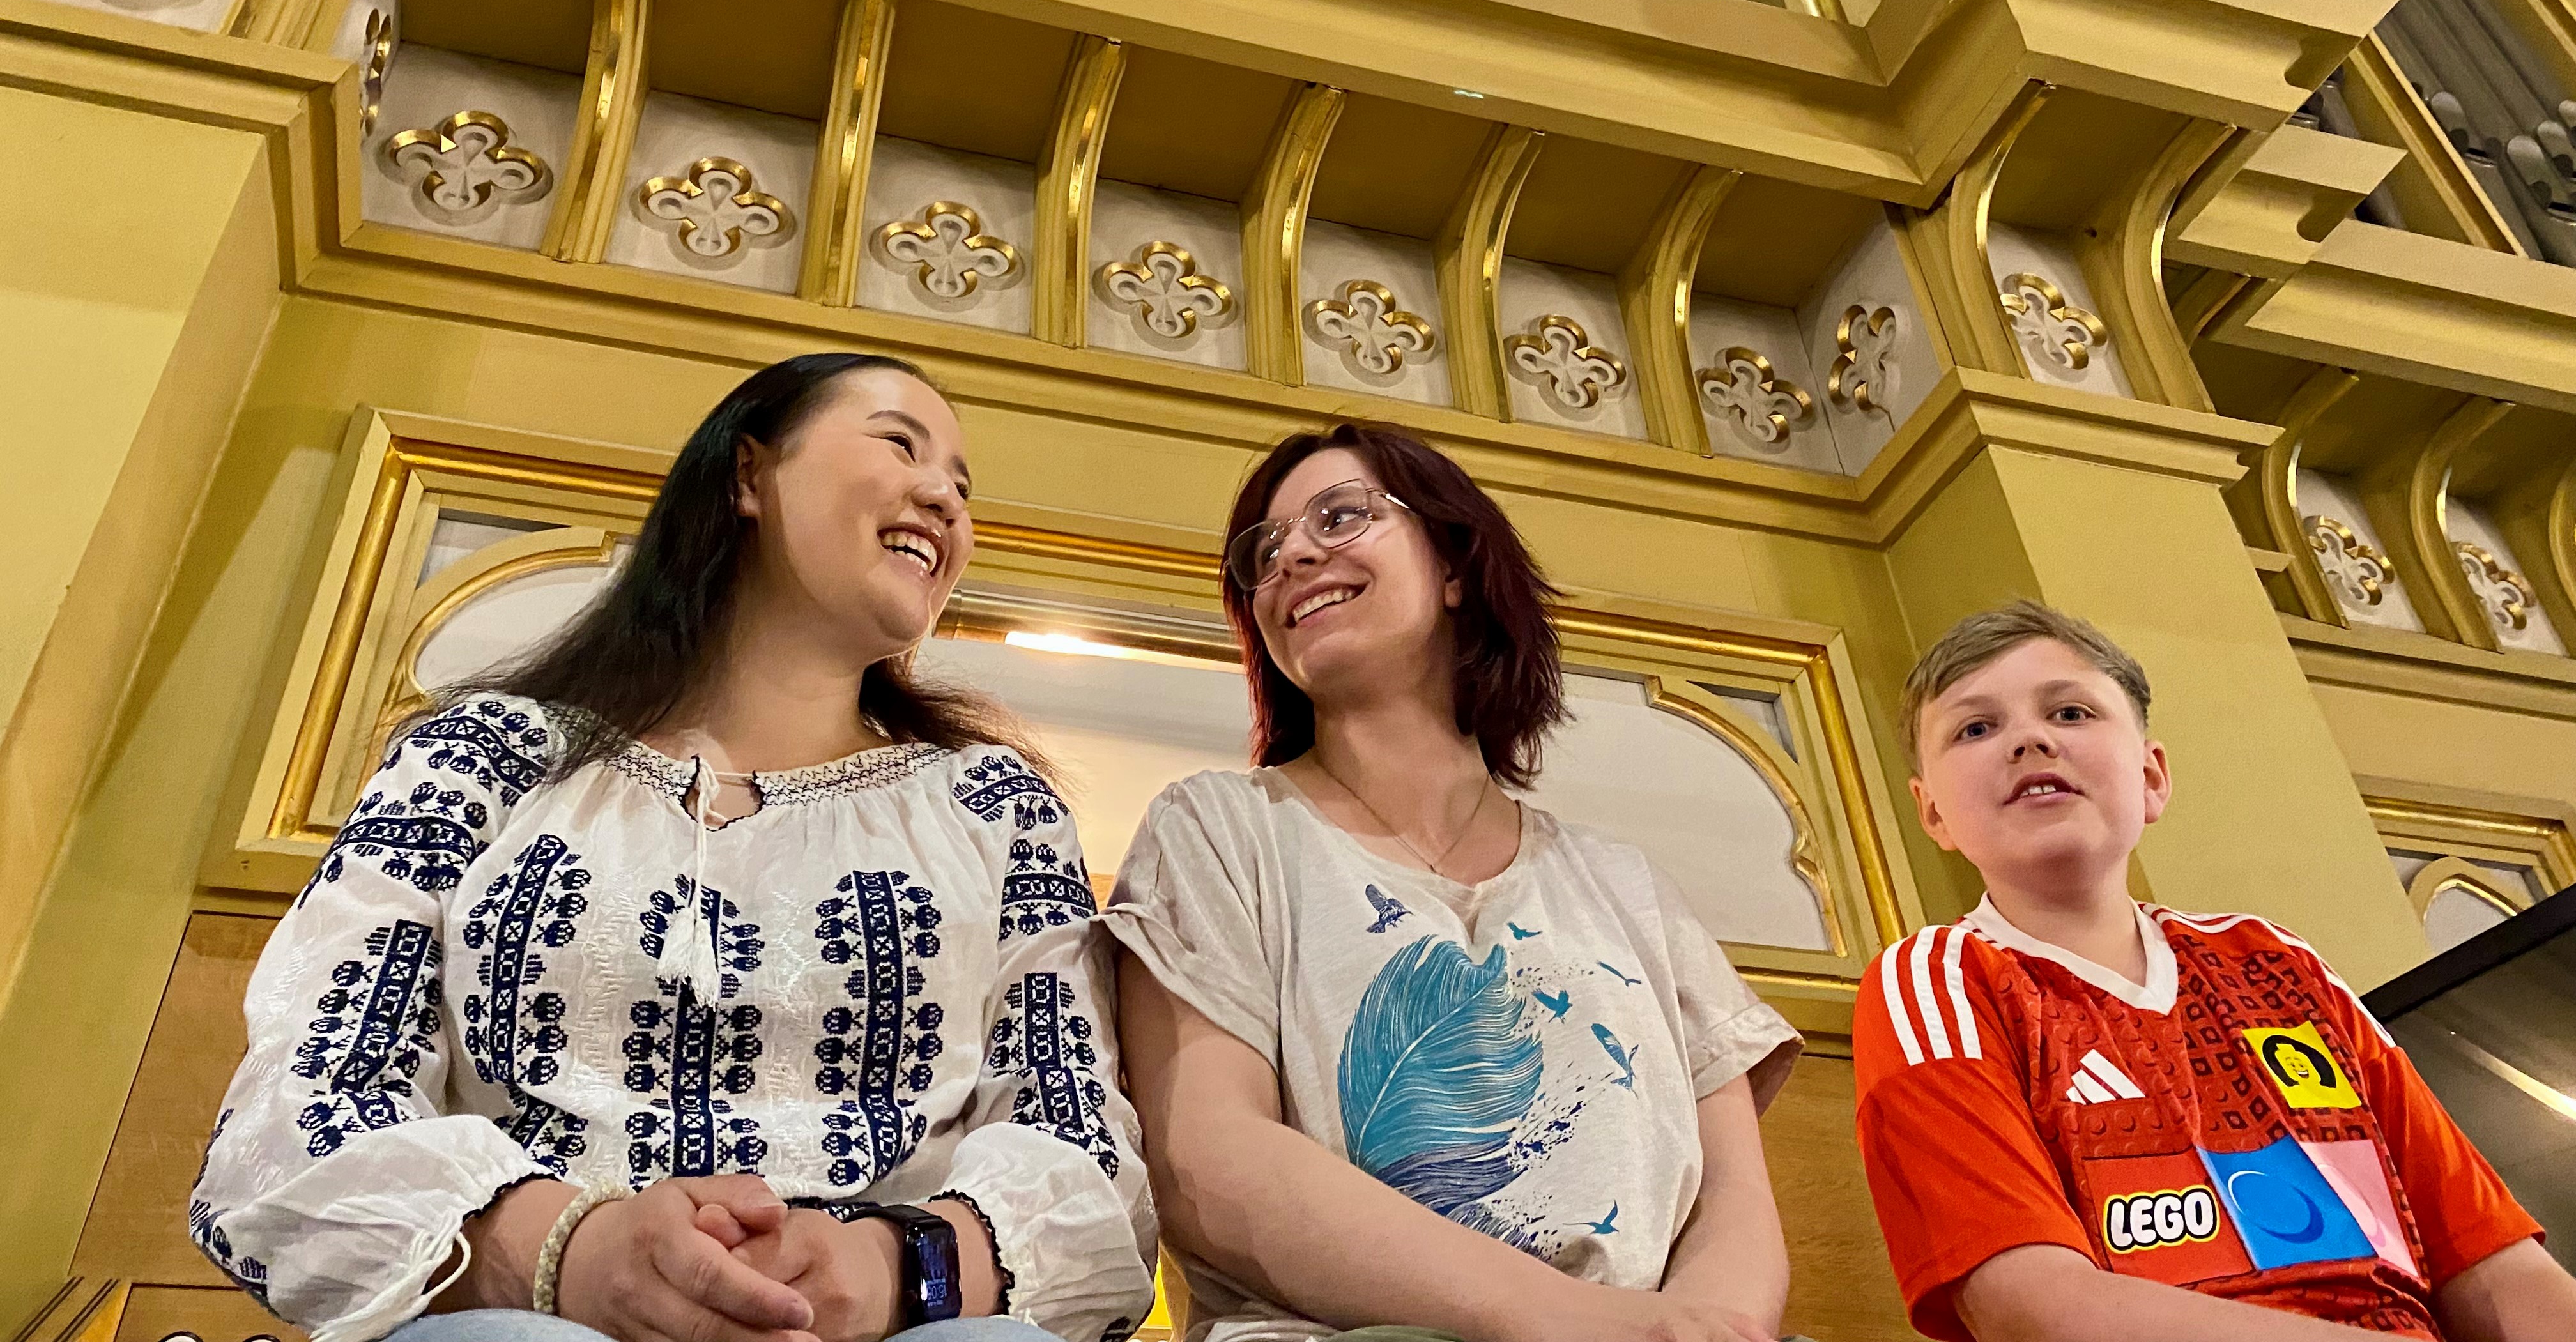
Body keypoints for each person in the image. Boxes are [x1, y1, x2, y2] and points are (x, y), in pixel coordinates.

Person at [192, 353, 1156, 1342]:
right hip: (529, 1315)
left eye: (961, 486)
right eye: (901, 444)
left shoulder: (997, 807)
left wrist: (896, 1265)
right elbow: (307, 1096)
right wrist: (570, 1249)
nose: (944, 500)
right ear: (746, 475)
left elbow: (1077, 1132)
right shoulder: (479, 762)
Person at [1105, 422, 1801, 1342]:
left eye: (1341, 517)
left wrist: (1711, 1331)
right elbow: (1209, 1166)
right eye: (1264, 553)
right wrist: (1583, 1326)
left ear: (1455, 566)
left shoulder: (1624, 883)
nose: (1295, 555)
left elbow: (1732, 1195)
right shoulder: (1218, 832)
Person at [1853, 599, 2576, 1342]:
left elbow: (2492, 1262)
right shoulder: (1937, 979)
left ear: (2152, 775)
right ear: (1931, 812)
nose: (2030, 740)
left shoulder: (2279, 964)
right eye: (1976, 728)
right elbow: (2033, 1308)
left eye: (2070, 713)